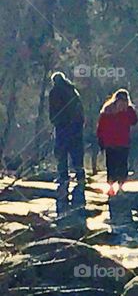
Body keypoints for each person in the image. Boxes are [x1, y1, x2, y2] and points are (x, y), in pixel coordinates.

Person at [48, 71, 86, 214]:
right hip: (76, 128)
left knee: (61, 152)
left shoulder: (55, 92)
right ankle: (80, 175)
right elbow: (80, 111)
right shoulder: (73, 90)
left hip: (63, 127)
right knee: (76, 153)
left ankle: (63, 176)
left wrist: (54, 122)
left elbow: (53, 111)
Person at [96, 89, 138, 197]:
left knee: (122, 164)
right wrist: (101, 141)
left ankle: (120, 185)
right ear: (116, 100)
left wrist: (130, 109)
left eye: (125, 102)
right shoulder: (108, 110)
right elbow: (101, 127)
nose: (123, 104)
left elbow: (134, 121)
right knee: (111, 165)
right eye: (121, 101)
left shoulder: (128, 111)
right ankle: (110, 186)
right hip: (111, 143)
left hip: (123, 142)